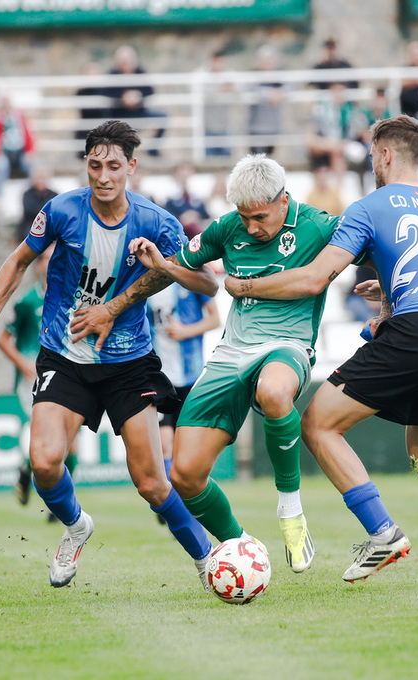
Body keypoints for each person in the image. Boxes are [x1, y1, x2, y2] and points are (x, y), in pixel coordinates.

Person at [224, 116, 418, 588]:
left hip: (415, 332)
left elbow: (316, 277)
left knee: (317, 423)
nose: (371, 163)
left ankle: (382, 532)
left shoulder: (370, 206)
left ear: (387, 155)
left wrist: (244, 285)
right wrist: (394, 293)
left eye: (373, 154)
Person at [0, 120, 218, 590]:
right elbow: (19, 261)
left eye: (114, 166)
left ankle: (209, 561)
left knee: (151, 483)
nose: (103, 176)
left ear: (132, 168)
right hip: (64, 357)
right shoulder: (61, 210)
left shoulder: (156, 221)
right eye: (95, 165)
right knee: (43, 461)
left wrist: (163, 265)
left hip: (128, 364)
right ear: (86, 164)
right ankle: (77, 525)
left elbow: (207, 282)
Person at [116, 154, 339, 576]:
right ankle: (242, 546)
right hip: (230, 353)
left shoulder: (318, 225)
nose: (252, 227)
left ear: (282, 199)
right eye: (244, 216)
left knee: (274, 392)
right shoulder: (225, 228)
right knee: (184, 475)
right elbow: (186, 265)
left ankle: (290, 512)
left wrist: (385, 297)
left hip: (286, 344)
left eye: (259, 217)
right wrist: (161, 265)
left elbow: (375, 250)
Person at [0, 247, 78, 513]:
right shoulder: (27, 300)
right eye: (45, 258)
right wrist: (23, 363)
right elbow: (3, 341)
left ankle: (33, 477)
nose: (50, 263)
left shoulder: (73, 297)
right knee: (52, 437)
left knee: (71, 444)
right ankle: (56, 500)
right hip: (34, 379)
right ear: (39, 265)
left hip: (65, 375)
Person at [145, 281, 221, 502]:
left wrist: (185, 330)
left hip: (190, 376)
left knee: (185, 448)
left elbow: (215, 319)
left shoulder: (191, 278)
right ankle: (169, 498)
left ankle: (180, 496)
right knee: (163, 442)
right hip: (160, 376)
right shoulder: (148, 282)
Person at [100, 46, 166, 156]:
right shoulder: (112, 74)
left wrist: (138, 96)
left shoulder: (140, 72)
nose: (126, 63)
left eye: (129, 60)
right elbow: (105, 93)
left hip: (139, 113)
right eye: (123, 60)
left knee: (162, 117)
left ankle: (153, 150)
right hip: (118, 114)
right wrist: (122, 98)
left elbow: (150, 91)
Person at [0, 97, 35, 199]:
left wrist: (30, 151)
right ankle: (0, 198)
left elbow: (30, 134)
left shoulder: (19, 117)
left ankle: (32, 197)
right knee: (0, 165)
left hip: (20, 153)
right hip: (2, 153)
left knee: (34, 166)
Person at [247, 46, 287, 156]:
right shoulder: (254, 76)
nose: (267, 63)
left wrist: (279, 93)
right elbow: (249, 89)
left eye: (270, 60)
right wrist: (270, 94)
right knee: (256, 159)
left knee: (270, 159)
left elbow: (289, 88)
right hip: (256, 127)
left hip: (273, 126)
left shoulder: (279, 77)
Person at [17, 166, 58, 243]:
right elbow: (29, 211)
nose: (40, 181)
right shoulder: (27, 194)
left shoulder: (54, 195)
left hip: (49, 230)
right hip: (29, 230)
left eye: (43, 178)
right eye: (38, 177)